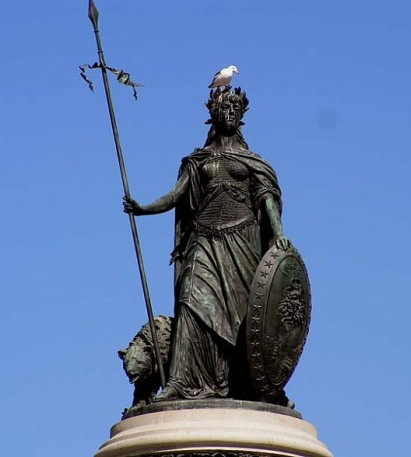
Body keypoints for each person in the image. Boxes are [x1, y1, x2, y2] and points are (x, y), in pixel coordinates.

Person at [124, 87, 290, 401]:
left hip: (243, 244)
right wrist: (143, 208)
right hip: (203, 240)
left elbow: (265, 198)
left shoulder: (253, 162)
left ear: (241, 118)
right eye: (224, 109)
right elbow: (176, 196)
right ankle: (180, 380)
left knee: (244, 317)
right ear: (213, 114)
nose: (230, 114)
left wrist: (278, 234)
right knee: (189, 300)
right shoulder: (197, 160)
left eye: (235, 110)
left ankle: (244, 381)